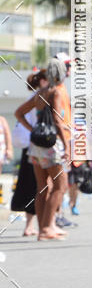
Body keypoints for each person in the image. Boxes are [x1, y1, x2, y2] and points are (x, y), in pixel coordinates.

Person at [15, 58, 72, 240]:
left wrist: (32, 129)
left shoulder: (40, 93)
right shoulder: (55, 92)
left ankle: (42, 230)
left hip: (35, 145)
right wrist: (67, 146)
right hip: (51, 145)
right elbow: (57, 121)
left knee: (42, 187)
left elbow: (18, 113)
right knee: (60, 185)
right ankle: (47, 228)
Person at [11, 70, 47, 236]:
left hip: (30, 145)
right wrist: (34, 130)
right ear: (43, 81)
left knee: (30, 184)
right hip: (38, 145)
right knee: (39, 185)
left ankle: (31, 225)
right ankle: (42, 225)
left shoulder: (35, 96)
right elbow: (19, 114)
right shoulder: (40, 96)